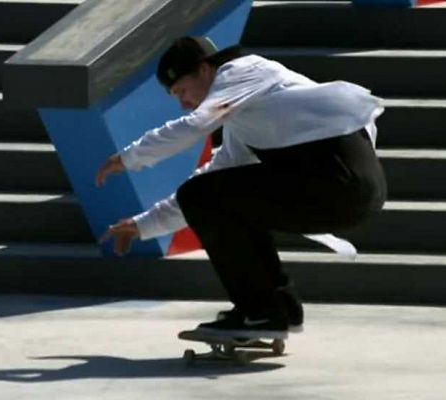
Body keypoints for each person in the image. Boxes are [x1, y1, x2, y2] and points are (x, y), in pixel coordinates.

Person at [96, 36, 387, 340]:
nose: (183, 103)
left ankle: (260, 312)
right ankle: (278, 310)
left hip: (339, 180)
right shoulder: (245, 113)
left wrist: (129, 157)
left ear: (205, 70)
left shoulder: (244, 70)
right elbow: (209, 183)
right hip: (344, 189)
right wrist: (142, 225)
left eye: (182, 90)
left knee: (206, 196)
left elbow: (195, 125)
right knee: (212, 197)